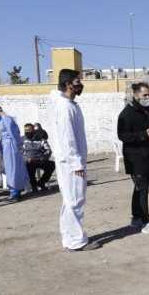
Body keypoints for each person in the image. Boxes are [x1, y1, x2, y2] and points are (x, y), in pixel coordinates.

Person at [51, 69, 100, 251]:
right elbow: (67, 139)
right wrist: (76, 163)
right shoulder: (64, 108)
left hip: (71, 162)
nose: (81, 85)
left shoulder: (69, 105)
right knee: (75, 201)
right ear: (68, 84)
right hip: (71, 163)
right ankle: (76, 241)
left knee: (70, 200)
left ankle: (69, 237)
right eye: (77, 82)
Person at [117, 82, 149, 235]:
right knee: (142, 189)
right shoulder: (127, 113)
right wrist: (143, 135)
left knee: (140, 189)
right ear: (136, 95)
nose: (147, 98)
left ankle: (136, 217)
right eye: (145, 95)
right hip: (136, 159)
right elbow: (122, 135)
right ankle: (146, 221)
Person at [0, 105, 31, 202]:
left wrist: (18, 145)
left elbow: (13, 134)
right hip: (8, 145)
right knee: (12, 168)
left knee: (12, 169)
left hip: (10, 146)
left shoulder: (7, 119)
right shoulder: (6, 119)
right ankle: (16, 191)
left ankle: (14, 193)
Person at [22, 123, 55, 192]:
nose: (27, 132)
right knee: (29, 166)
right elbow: (20, 152)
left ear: (33, 130)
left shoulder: (41, 139)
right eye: (26, 131)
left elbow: (48, 150)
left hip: (39, 159)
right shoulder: (22, 140)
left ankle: (41, 182)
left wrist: (42, 158)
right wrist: (26, 158)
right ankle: (34, 186)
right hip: (29, 161)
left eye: (29, 130)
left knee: (52, 165)